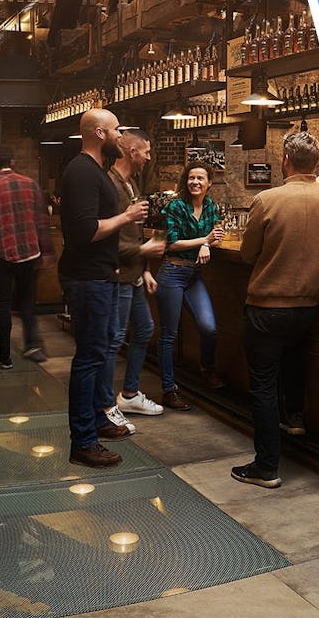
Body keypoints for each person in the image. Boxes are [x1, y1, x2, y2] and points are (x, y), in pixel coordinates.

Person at [233, 131, 319, 489]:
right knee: (294, 361)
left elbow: (246, 253)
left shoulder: (267, 200)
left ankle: (267, 466)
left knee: (264, 385)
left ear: (285, 160)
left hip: (267, 306)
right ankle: (296, 420)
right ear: (316, 163)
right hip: (308, 307)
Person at [58, 108, 148, 468]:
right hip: (87, 279)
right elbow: (84, 231)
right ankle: (83, 441)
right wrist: (127, 217)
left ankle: (97, 420)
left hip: (100, 275)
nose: (120, 136)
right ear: (98, 133)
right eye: (115, 130)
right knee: (89, 357)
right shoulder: (81, 172)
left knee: (98, 353)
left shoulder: (95, 171)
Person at [0, 147, 54, 369]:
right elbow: (42, 221)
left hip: (0, 253)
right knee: (27, 300)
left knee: (4, 303)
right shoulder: (31, 184)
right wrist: (46, 252)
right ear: (13, 161)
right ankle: (33, 345)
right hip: (29, 251)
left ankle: (4, 356)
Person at [156, 161, 225, 412]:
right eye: (191, 178)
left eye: (200, 178)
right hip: (172, 273)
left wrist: (208, 243)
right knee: (168, 336)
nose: (195, 182)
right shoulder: (175, 206)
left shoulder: (210, 205)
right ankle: (168, 390)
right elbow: (171, 243)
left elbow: (217, 230)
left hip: (194, 276)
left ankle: (206, 369)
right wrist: (204, 241)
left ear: (209, 183)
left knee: (209, 328)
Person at [108, 130, 167, 422]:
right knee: (115, 338)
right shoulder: (111, 185)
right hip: (118, 277)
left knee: (143, 330)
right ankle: (106, 405)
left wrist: (145, 268)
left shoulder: (130, 184)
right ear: (132, 152)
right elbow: (106, 237)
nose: (148, 156)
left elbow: (131, 231)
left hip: (134, 274)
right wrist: (142, 249)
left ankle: (129, 395)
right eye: (146, 151)